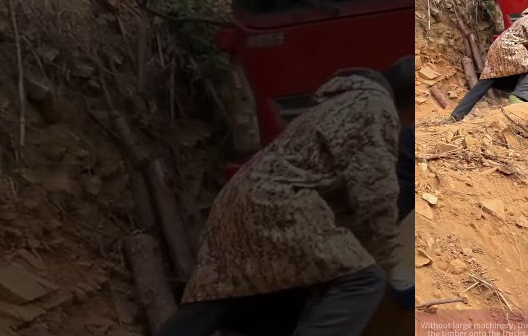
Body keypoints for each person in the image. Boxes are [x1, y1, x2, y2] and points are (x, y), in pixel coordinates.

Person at [157, 59, 414, 336]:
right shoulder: (377, 108)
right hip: (280, 205)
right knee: (363, 280)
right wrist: (385, 263)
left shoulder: (343, 100)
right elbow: (376, 194)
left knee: (227, 291)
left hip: (236, 202)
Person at [450, 3, 528, 121]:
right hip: (509, 48)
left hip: (497, 48)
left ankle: (457, 114)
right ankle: (517, 100)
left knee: (485, 83)